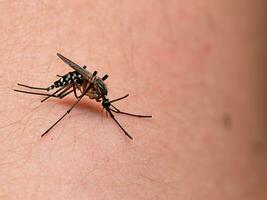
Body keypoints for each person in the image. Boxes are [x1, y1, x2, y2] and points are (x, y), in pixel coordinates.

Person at [0, 1, 266, 199]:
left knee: (76, 84)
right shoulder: (95, 90)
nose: (105, 105)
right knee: (74, 86)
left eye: (106, 105)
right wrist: (74, 91)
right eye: (107, 104)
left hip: (82, 80)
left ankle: (50, 91)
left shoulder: (100, 92)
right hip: (76, 80)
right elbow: (82, 81)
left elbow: (88, 84)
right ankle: (46, 91)